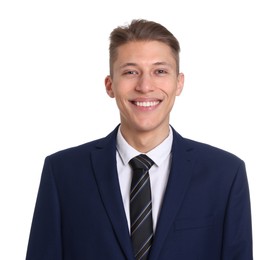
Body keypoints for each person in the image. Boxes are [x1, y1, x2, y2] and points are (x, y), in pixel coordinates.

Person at [26, 19, 253, 259]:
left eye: (160, 71)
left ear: (179, 83)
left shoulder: (225, 173)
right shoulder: (62, 172)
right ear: (110, 85)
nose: (145, 86)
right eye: (131, 72)